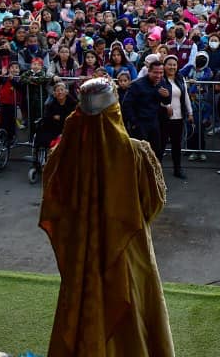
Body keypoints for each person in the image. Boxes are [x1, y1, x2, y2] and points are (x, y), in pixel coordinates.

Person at [39, 77, 176, 357]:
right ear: (115, 111)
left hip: (81, 253)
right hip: (127, 251)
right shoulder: (137, 153)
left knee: (81, 307)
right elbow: (153, 205)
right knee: (133, 313)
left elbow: (54, 204)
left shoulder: (62, 155)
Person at [123, 57, 171, 145]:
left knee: (156, 151)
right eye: (155, 73)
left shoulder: (161, 82)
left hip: (154, 122)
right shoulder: (137, 85)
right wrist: (134, 122)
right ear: (149, 71)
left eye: (161, 73)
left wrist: (167, 96)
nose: (158, 75)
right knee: (141, 153)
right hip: (140, 123)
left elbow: (166, 102)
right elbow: (126, 105)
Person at [159, 54, 191, 180]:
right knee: (160, 146)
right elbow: (156, 97)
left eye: (174, 65)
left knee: (177, 145)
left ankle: (177, 169)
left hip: (178, 116)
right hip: (164, 117)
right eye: (169, 64)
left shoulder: (180, 78)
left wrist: (190, 112)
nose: (172, 67)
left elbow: (186, 96)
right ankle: (157, 170)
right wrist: (165, 106)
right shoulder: (160, 79)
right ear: (164, 66)